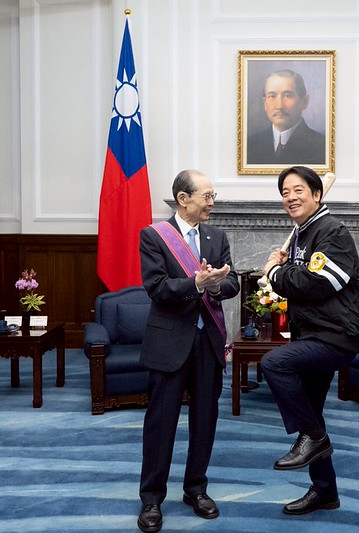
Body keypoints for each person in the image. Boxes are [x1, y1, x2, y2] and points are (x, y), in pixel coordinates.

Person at [259, 165, 359, 515]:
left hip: (337, 335)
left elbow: (320, 283)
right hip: (314, 332)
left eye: (298, 191)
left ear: (317, 194)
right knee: (312, 413)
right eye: (285, 192)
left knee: (273, 363)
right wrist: (286, 267)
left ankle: (315, 439)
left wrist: (276, 272)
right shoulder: (303, 233)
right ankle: (325, 491)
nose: (290, 197)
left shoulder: (331, 231)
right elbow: (303, 277)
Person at [136, 169, 240, 533]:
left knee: (205, 419)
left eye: (213, 196)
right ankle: (151, 499)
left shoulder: (216, 236)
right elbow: (156, 287)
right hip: (169, 343)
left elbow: (232, 282)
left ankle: (196, 488)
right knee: (161, 422)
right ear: (184, 199)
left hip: (207, 342)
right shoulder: (154, 236)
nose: (212, 203)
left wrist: (217, 286)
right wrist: (196, 283)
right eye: (207, 196)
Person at [247, 69, 325, 165]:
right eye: (272, 96)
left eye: (287, 95)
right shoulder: (250, 145)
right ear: (265, 103)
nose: (279, 106)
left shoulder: (321, 146)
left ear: (304, 102)